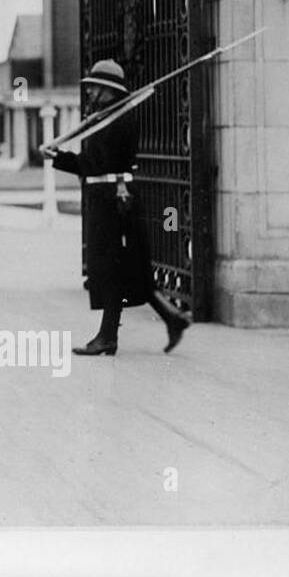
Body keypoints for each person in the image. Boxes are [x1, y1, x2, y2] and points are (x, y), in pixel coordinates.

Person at [41, 59, 190, 357]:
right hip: (107, 197)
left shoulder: (117, 119)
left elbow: (95, 164)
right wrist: (58, 156)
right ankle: (172, 319)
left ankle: (108, 337)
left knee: (111, 267)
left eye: (96, 87)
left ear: (109, 90)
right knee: (126, 268)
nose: (92, 91)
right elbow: (93, 164)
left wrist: (58, 158)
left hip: (114, 199)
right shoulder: (103, 116)